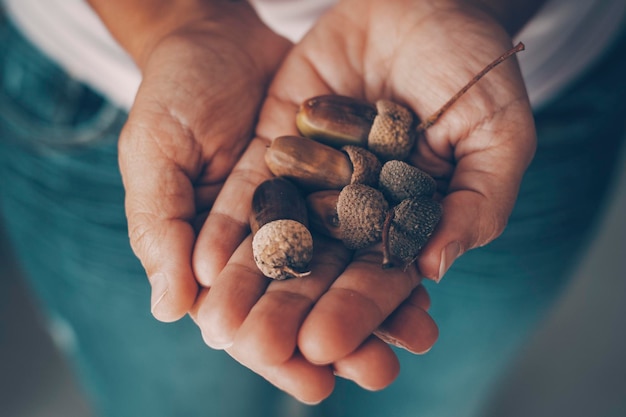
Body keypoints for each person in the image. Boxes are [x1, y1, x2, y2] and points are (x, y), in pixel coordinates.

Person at [1, 0, 624, 416]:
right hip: (94, 72)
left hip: (544, 70)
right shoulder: (349, 173)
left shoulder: (380, 167)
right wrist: (175, 18)